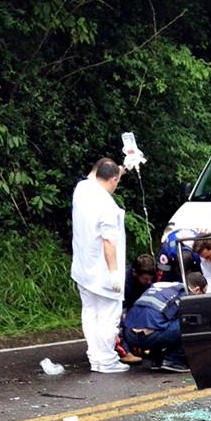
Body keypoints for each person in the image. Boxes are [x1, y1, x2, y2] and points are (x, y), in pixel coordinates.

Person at [71, 158, 129, 373]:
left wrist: (125, 167)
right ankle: (106, 360)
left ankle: (95, 357)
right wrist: (114, 273)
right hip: (103, 271)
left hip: (83, 268)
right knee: (108, 316)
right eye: (117, 180)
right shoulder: (106, 205)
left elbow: (100, 170)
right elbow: (109, 242)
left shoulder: (82, 188)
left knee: (90, 313)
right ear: (113, 180)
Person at [122, 272, 207, 372]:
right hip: (151, 335)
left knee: (162, 320)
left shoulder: (162, 287)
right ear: (197, 290)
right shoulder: (184, 294)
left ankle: (157, 360)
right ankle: (174, 360)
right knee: (193, 321)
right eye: (203, 293)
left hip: (129, 334)